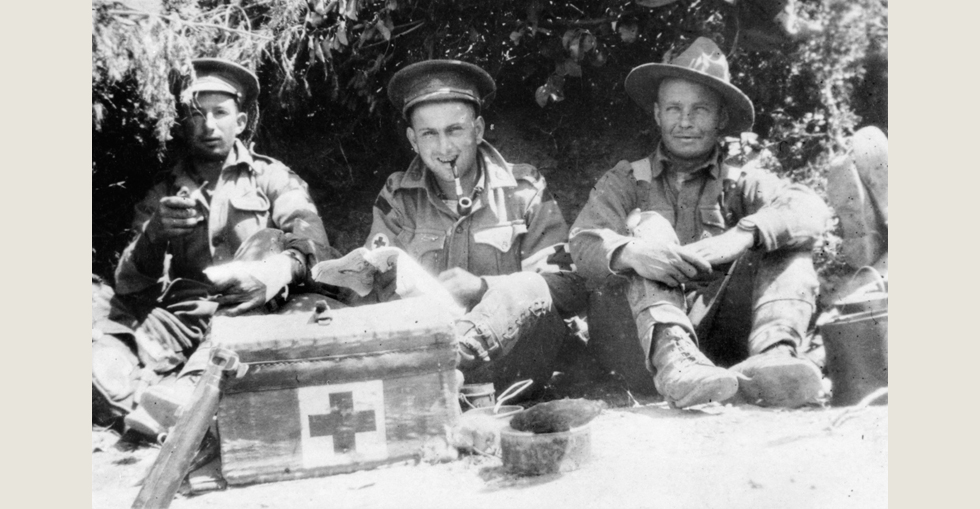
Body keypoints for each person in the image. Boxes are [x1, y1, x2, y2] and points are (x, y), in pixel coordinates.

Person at [569, 38, 830, 409]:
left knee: (789, 246)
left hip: (721, 345)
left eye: (700, 109)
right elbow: (581, 242)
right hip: (639, 348)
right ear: (657, 114)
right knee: (650, 229)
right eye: (674, 109)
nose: (686, 121)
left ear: (721, 119)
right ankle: (674, 361)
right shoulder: (626, 179)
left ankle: (774, 358)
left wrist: (745, 234)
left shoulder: (741, 181)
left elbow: (808, 208)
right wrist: (633, 253)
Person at [92, 58, 335, 431]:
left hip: (253, 308)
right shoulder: (164, 191)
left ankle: (182, 392)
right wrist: (154, 235)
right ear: (184, 124)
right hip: (181, 319)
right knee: (99, 356)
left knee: (267, 241)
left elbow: (314, 242)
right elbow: (128, 283)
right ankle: (145, 396)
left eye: (220, 113)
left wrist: (276, 269)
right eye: (196, 115)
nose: (208, 125)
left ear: (240, 122)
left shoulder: (270, 177)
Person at [367, 59, 587, 395]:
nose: (444, 148)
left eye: (455, 130)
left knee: (530, 285)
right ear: (413, 139)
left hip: (514, 366)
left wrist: (483, 287)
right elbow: (372, 290)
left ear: (478, 130)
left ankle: (455, 356)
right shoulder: (398, 198)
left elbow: (567, 287)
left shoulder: (522, 189)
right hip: (424, 358)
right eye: (429, 133)